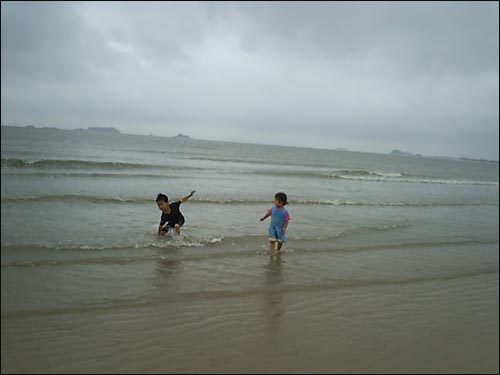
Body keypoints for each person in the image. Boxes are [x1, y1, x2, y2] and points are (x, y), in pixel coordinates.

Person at [260, 192, 291, 256]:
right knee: (272, 240)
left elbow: (286, 220)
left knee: (280, 240)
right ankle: (272, 252)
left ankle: (278, 250)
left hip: (280, 228)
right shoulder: (273, 208)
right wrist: (263, 218)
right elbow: (268, 213)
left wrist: (284, 228)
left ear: (281, 202)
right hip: (273, 227)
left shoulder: (285, 212)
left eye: (276, 200)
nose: (274, 201)